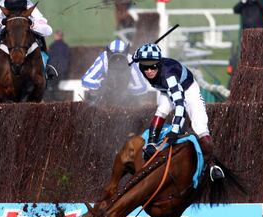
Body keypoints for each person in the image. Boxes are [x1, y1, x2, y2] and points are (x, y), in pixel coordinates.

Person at [131, 43, 225, 181]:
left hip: (188, 90)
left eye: (153, 66)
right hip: (166, 90)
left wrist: (175, 128)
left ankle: (213, 165)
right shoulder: (141, 65)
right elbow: (134, 58)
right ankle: (151, 143)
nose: (149, 70)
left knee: (199, 125)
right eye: (145, 67)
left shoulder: (169, 74)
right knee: (162, 110)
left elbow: (180, 103)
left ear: (159, 63)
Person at [0, 0, 57, 80]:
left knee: (37, 42)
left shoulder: (30, 5)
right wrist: (0, 23)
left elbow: (48, 30)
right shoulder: (0, 6)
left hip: (26, 42)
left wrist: (33, 25)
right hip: (2, 39)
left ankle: (45, 69)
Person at [81, 39, 149, 100]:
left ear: (126, 54)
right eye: (114, 57)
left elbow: (143, 87)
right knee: (92, 98)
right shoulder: (103, 59)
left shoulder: (131, 60)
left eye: (120, 57)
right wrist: (101, 84)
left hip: (125, 98)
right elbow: (85, 80)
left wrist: (127, 88)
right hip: (103, 95)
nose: (117, 60)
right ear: (108, 54)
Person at [46, 30, 70, 99]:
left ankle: (53, 99)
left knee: (51, 86)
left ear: (56, 36)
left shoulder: (52, 46)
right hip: (63, 70)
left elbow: (49, 57)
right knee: (56, 86)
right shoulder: (66, 46)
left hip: (53, 69)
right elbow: (67, 58)